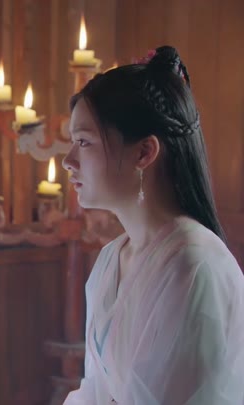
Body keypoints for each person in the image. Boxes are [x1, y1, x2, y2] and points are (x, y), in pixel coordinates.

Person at [62, 46, 244, 404]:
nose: (68, 160)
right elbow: (96, 392)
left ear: (144, 152)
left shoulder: (193, 265)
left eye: (84, 142)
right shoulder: (111, 260)